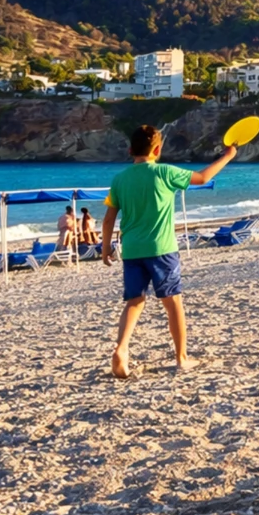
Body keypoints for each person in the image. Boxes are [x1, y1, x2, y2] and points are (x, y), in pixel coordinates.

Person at [101, 124, 236, 378]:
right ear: (158, 149)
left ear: (130, 150)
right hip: (162, 249)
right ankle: (181, 358)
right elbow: (203, 178)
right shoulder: (164, 172)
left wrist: (106, 247)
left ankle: (121, 349)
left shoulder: (119, 179)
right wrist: (227, 156)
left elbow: (108, 219)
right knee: (173, 302)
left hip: (131, 250)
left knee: (135, 301)